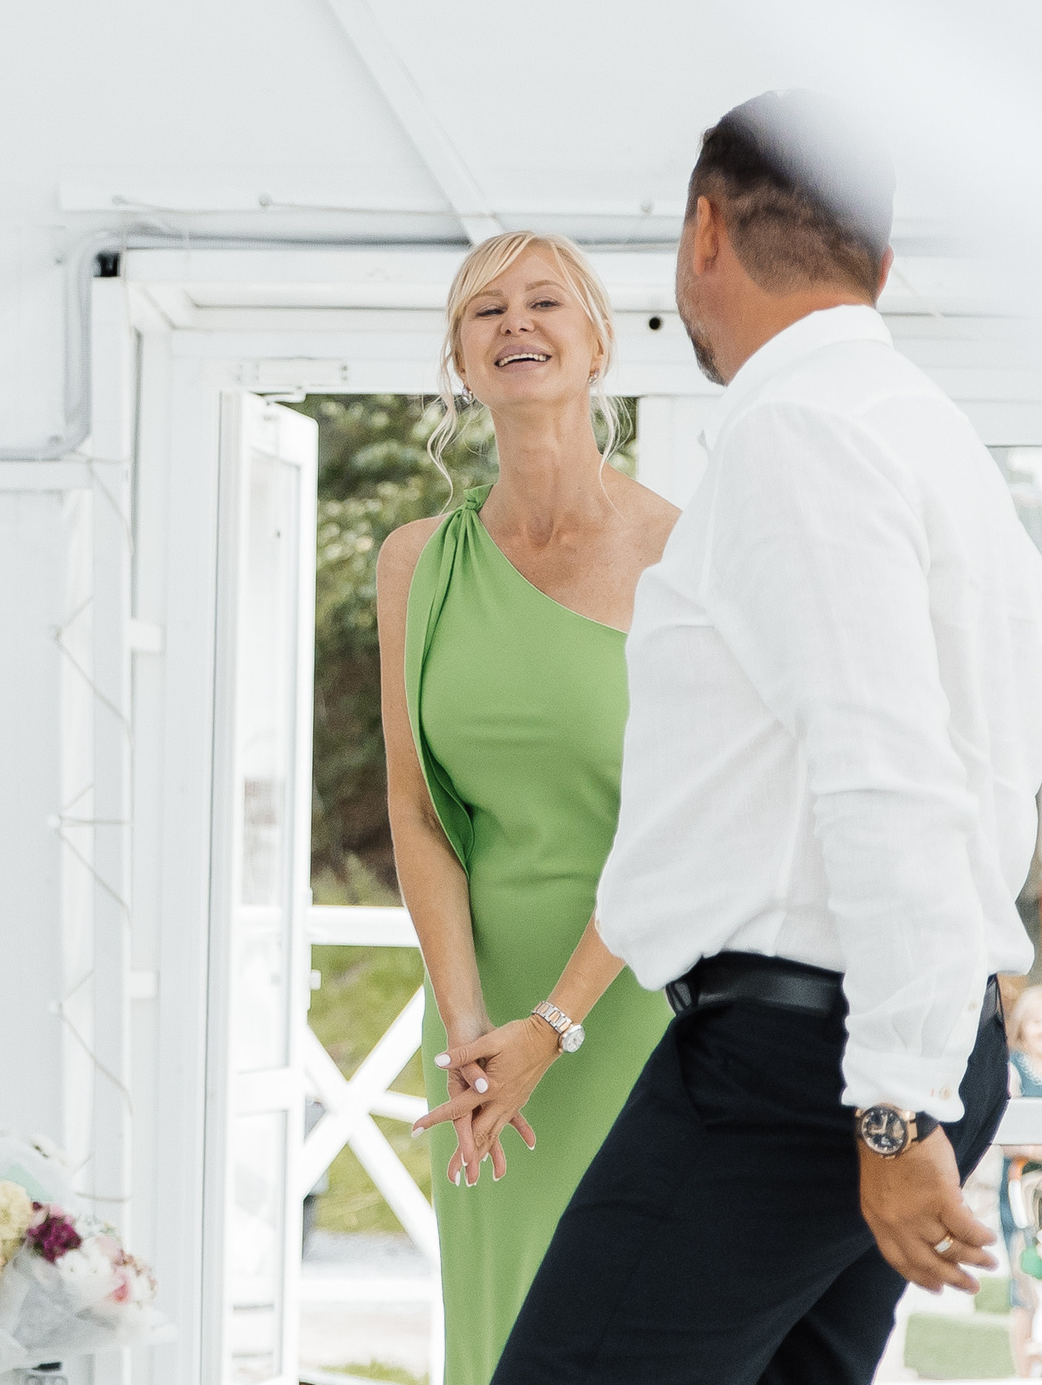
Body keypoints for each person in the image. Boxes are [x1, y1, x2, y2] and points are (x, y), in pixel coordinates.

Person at [493, 92, 1042, 1384]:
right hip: (890, 1042)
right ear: (881, 262)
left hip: (810, 1064)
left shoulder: (799, 431)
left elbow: (887, 774)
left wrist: (892, 1103)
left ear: (705, 230)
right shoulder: (929, 437)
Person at [372, 230, 680, 1385]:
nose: (515, 322)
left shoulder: (683, 554)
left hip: (640, 1006)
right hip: (480, 1019)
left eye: (545, 301)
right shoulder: (414, 562)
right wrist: (469, 1032)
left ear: (596, 344)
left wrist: (553, 1026)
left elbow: (687, 822)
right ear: (459, 360)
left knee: (638, 1335)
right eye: (484, 309)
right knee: (501, 1336)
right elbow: (415, 807)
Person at [999, 984, 1042, 1376]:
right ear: (1022, 1027)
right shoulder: (1013, 1069)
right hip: (1023, 1194)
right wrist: (1040, 1148)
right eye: (1037, 1021)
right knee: (1025, 1282)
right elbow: (1004, 1133)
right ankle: (1024, 1374)